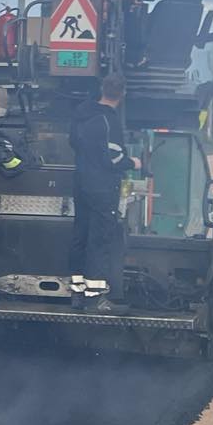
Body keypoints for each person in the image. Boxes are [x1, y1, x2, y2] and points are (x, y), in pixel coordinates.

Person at [68, 75, 132, 305]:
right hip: (102, 187)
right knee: (99, 239)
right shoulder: (109, 119)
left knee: (80, 235)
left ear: (102, 90)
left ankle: (77, 293)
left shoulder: (82, 115)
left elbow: (73, 143)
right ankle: (95, 298)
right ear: (122, 94)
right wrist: (133, 163)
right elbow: (113, 157)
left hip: (81, 183)